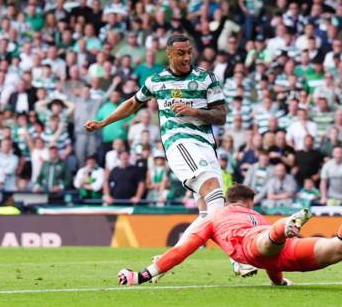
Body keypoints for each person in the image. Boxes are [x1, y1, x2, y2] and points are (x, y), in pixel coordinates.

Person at [85, 34, 256, 277]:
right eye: (181, 53)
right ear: (169, 54)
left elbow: (221, 115)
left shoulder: (206, 79)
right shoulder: (157, 82)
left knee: (208, 212)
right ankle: (237, 258)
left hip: (205, 146)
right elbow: (133, 103)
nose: (187, 57)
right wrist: (104, 122)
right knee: (214, 192)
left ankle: (165, 261)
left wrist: (194, 111)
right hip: (179, 144)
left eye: (189, 52)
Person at [117, 176, 342, 286]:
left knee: (266, 241)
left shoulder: (215, 217)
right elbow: (271, 258)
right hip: (279, 250)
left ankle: (287, 224)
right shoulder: (254, 214)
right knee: (339, 248)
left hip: (255, 247)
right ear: (248, 201)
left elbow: (181, 251)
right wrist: (278, 282)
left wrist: (144, 275)